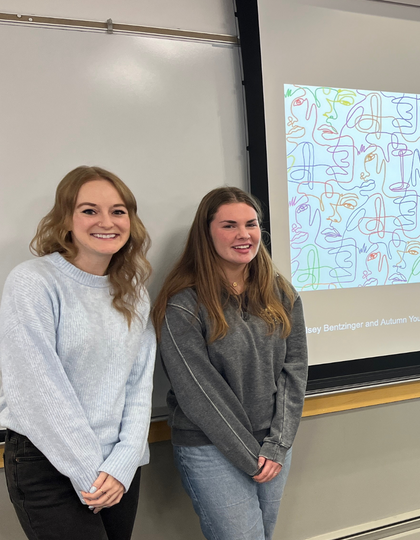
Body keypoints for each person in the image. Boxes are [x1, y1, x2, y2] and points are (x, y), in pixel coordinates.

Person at [0, 166, 154, 540]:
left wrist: (123, 463)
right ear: (66, 219)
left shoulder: (133, 290)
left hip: (117, 468)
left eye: (118, 211)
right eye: (89, 210)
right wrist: (89, 473)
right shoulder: (33, 281)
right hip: (47, 462)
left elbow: (139, 382)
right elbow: (37, 390)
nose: (107, 221)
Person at [153, 187, 308, 540]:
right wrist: (249, 457)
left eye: (251, 224)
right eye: (229, 225)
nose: (244, 235)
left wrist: (277, 444)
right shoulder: (183, 304)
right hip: (211, 448)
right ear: (206, 234)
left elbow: (295, 369)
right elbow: (199, 393)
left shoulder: (280, 293)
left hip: (271, 446)